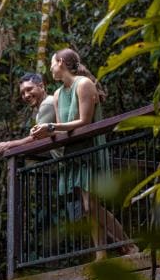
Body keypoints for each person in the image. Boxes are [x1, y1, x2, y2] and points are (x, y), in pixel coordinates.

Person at [31, 48, 137, 258]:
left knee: (91, 206)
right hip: (74, 153)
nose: (51, 68)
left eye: (52, 63)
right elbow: (63, 127)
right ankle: (101, 255)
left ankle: (129, 245)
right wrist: (44, 133)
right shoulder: (59, 93)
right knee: (88, 207)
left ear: (61, 62)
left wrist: (51, 127)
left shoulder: (84, 84)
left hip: (90, 149)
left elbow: (84, 121)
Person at [0, 73, 55, 156]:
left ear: (41, 87)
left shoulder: (47, 103)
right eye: (22, 93)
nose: (26, 95)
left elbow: (37, 137)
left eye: (29, 89)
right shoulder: (40, 111)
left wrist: (8, 144)